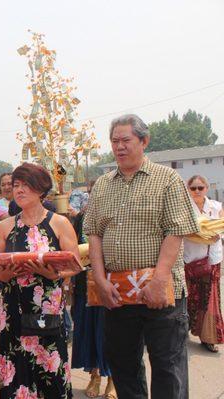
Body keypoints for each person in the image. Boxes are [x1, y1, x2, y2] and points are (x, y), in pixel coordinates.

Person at [84, 114, 199, 399]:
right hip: (117, 292)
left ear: (144, 141)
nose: (119, 147)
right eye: (114, 141)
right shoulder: (102, 185)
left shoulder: (167, 179)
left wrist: (159, 279)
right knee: (123, 364)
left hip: (160, 291)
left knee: (167, 365)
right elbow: (94, 234)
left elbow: (176, 230)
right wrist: (99, 279)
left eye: (126, 140)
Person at [0, 163, 80, 399]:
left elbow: (75, 266)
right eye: (16, 185)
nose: (19, 190)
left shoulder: (59, 223)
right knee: (16, 371)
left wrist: (55, 275)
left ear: (41, 190)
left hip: (47, 311)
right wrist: (9, 272)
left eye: (26, 185)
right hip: (13, 312)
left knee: (50, 370)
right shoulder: (5, 227)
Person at [69, 192, 115, 399]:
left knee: (113, 333)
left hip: (114, 281)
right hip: (84, 284)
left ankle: (114, 380)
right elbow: (73, 249)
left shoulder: (119, 215)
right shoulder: (81, 217)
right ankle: (94, 376)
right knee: (88, 331)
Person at [183, 175, 224, 353]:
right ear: (188, 190)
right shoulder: (184, 208)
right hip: (190, 259)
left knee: (210, 300)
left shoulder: (216, 207)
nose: (197, 191)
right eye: (194, 188)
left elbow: (221, 227)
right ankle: (186, 331)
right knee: (190, 297)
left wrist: (215, 234)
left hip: (212, 258)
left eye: (200, 188)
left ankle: (209, 337)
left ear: (206, 188)